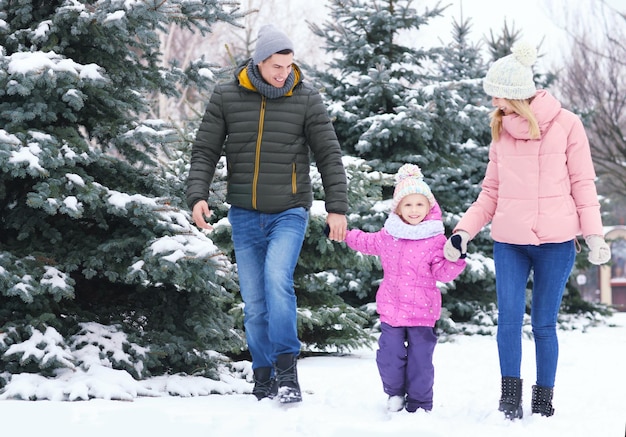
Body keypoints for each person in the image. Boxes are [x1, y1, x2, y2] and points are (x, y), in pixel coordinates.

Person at [443, 42, 612, 419]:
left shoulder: (568, 124)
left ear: (515, 93)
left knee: (544, 324)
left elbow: (583, 183)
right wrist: (462, 231)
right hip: (510, 244)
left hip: (556, 243)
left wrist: (595, 234)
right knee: (508, 319)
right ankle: (509, 399)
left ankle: (542, 400)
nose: (493, 103)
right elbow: (490, 192)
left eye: (497, 95)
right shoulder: (501, 130)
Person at [186, 24, 348, 404]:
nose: (283, 73)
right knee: (255, 302)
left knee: (277, 281)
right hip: (244, 213)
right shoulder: (227, 95)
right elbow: (205, 150)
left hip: (289, 211)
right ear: (258, 62)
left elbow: (329, 154)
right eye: (276, 66)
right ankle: (263, 375)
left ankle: (288, 372)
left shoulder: (306, 98)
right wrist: (197, 194)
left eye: (288, 66)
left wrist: (337, 207)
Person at [340, 164, 466, 413]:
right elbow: (364, 241)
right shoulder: (390, 235)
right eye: (408, 204)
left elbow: (442, 272)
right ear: (397, 208)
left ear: (429, 207)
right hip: (392, 309)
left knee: (420, 361)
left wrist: (457, 258)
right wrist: (343, 233)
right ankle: (395, 394)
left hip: (422, 312)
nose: (414, 210)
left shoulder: (435, 239)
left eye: (420, 204)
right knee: (389, 355)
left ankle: (419, 403)